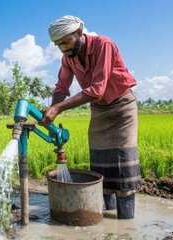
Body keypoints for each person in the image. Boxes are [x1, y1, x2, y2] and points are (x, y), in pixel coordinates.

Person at [39, 15, 141, 219]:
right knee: (100, 158)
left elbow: (97, 88)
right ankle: (108, 212)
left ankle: (126, 221)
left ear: (78, 33)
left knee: (123, 159)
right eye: (58, 45)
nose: (63, 49)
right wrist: (52, 108)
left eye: (65, 42)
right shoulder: (68, 58)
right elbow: (62, 86)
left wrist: (58, 108)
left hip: (122, 107)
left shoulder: (104, 44)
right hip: (99, 109)